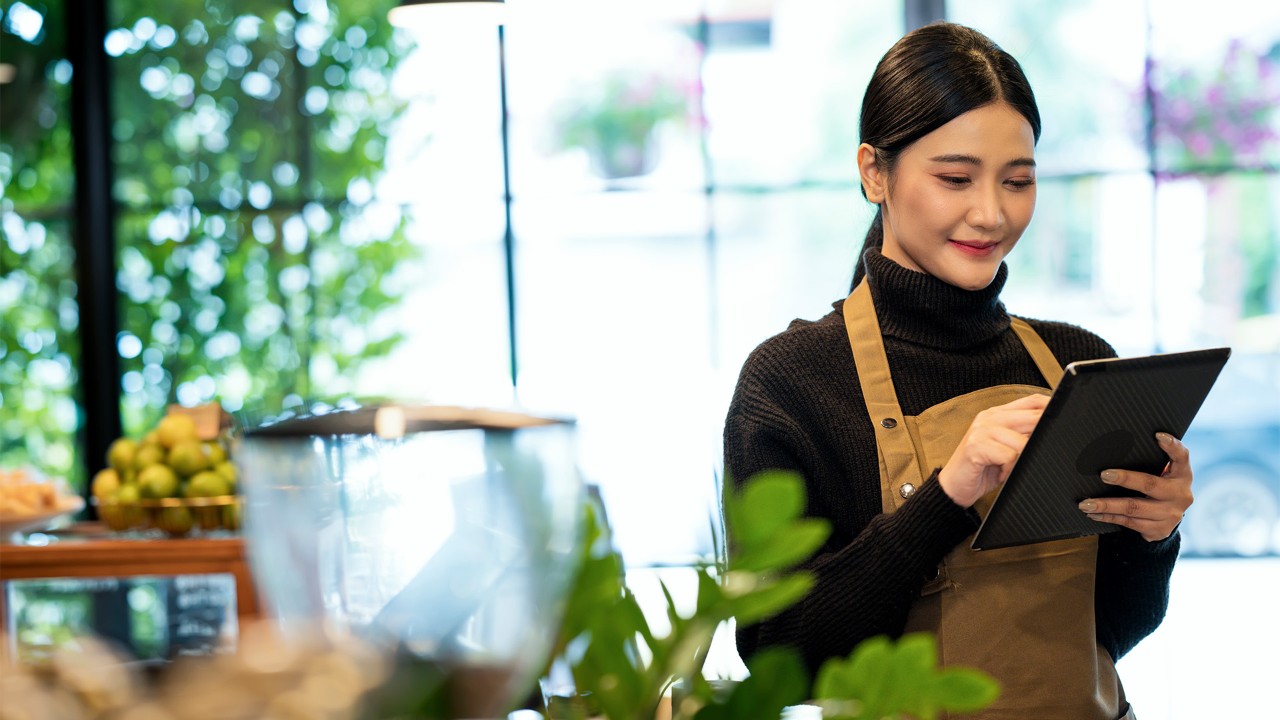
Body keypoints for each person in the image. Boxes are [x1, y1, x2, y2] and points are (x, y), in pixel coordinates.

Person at [722, 21, 1191, 720]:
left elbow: (1109, 634)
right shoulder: (792, 384)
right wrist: (947, 495)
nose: (991, 213)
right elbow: (781, 657)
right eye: (954, 178)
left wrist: (1153, 536)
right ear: (874, 172)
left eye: (1018, 180)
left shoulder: (1075, 361)